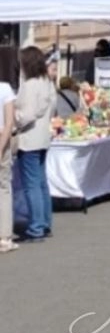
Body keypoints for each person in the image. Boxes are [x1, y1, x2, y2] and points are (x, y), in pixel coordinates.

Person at [14, 48, 55, 239]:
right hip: (42, 136)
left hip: (29, 138)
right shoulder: (47, 82)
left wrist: (13, 118)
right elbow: (50, 108)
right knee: (40, 183)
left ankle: (36, 226)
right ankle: (44, 222)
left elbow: (27, 114)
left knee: (32, 185)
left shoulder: (30, 85)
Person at [0, 76, 15, 252]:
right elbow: (9, 122)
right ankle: (4, 236)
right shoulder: (5, 88)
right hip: (2, 138)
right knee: (3, 187)